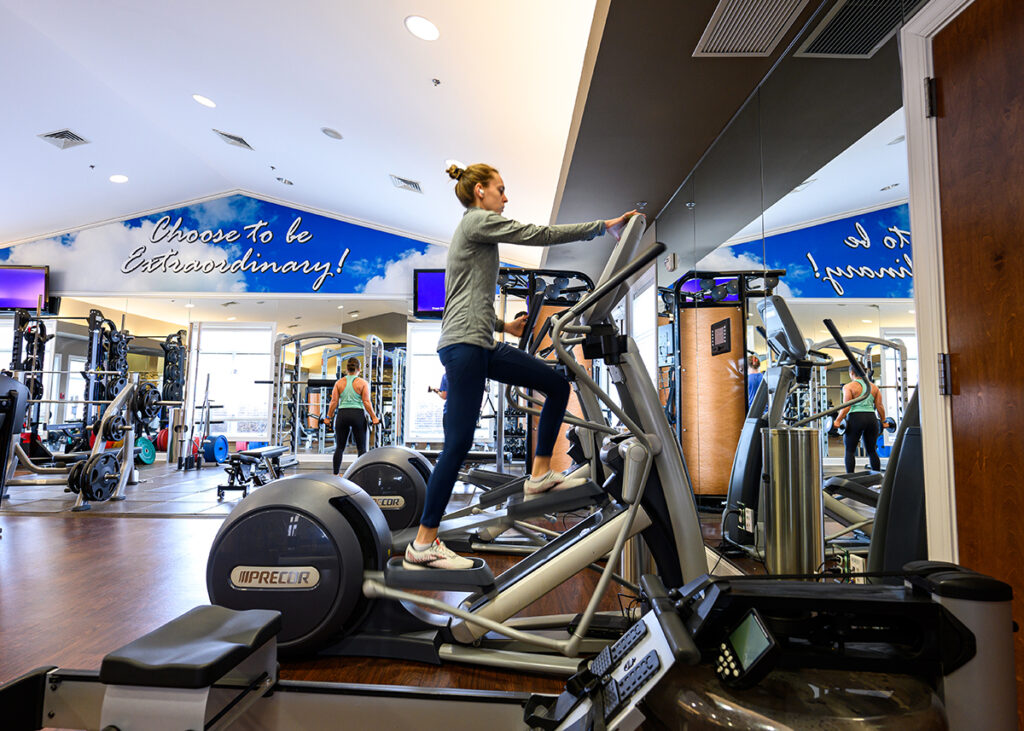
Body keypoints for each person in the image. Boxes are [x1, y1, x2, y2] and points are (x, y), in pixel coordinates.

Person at [403, 162, 638, 570]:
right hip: (465, 348)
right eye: (501, 189)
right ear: (480, 191)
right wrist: (604, 226)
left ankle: (539, 474)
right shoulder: (477, 221)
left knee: (557, 385)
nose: (505, 197)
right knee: (457, 445)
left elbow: (464, 298)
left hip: (479, 343)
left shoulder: (473, 231)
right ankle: (423, 544)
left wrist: (504, 326)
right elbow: (538, 234)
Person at [325, 357, 380, 475]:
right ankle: (361, 475)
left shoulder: (339, 383)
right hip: (357, 415)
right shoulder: (363, 383)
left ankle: (335, 475)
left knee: (340, 447)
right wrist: (374, 417)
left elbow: (334, 402)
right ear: (359, 369)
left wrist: (328, 417)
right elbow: (366, 402)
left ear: (346, 369)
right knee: (361, 448)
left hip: (342, 415)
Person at [833, 363, 886, 474]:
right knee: (872, 451)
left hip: (856, 418)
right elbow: (880, 406)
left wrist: (838, 420)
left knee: (850, 450)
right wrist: (884, 421)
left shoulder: (849, 387)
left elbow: (846, 406)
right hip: (871, 419)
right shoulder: (874, 387)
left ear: (851, 373)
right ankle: (876, 478)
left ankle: (850, 478)